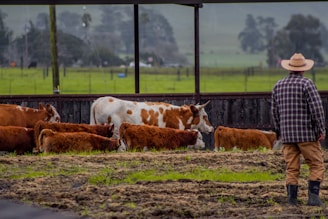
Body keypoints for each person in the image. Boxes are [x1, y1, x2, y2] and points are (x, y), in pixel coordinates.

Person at [271, 53, 326, 206]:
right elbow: (317, 109)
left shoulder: (278, 85)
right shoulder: (307, 84)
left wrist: (279, 132)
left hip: (287, 136)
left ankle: (292, 199)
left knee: (292, 167)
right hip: (307, 134)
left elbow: (274, 112)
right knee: (316, 164)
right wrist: (320, 129)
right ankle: (313, 198)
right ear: (303, 69)